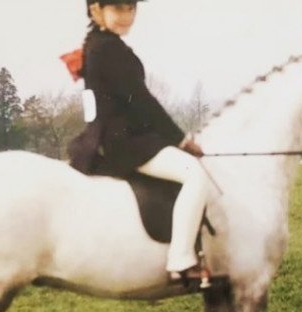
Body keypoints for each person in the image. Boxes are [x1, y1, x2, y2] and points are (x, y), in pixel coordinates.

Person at [67, 0, 210, 281]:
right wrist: (180, 139)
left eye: (131, 8)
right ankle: (181, 259)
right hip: (127, 143)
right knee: (196, 176)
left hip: (120, 137)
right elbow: (141, 101)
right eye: (118, 8)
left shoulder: (99, 43)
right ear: (96, 10)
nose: (126, 16)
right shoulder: (108, 48)